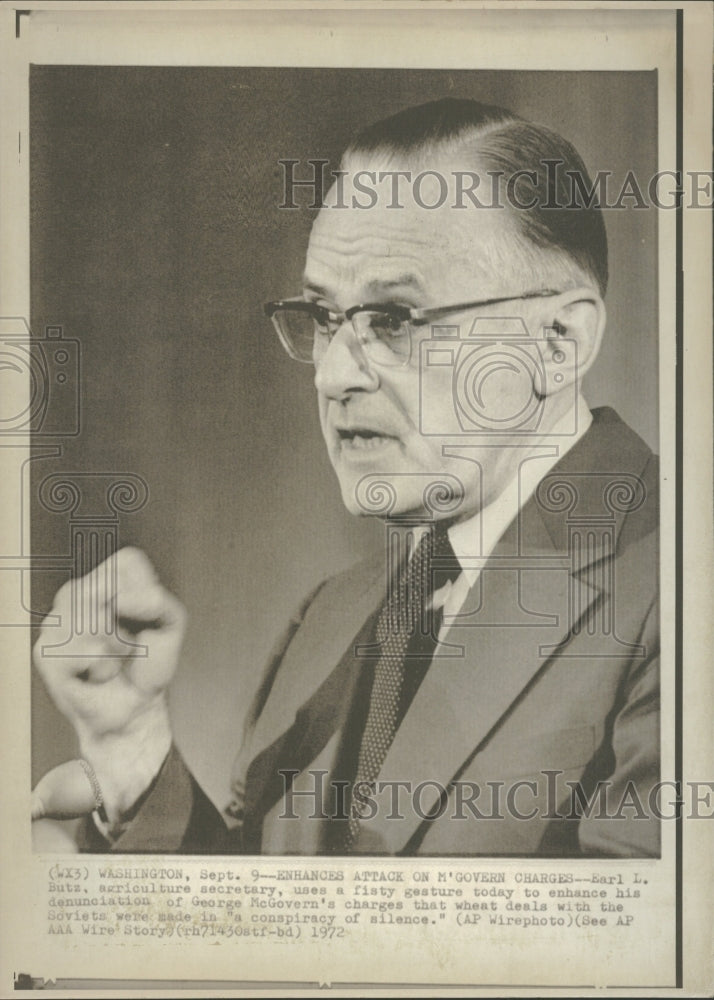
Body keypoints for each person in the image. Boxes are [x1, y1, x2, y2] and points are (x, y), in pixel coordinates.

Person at [33, 98, 659, 857]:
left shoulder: (680, 588)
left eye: (394, 319)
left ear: (559, 344)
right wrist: (132, 754)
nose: (332, 375)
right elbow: (271, 928)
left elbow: (639, 959)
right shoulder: (331, 616)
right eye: (325, 317)